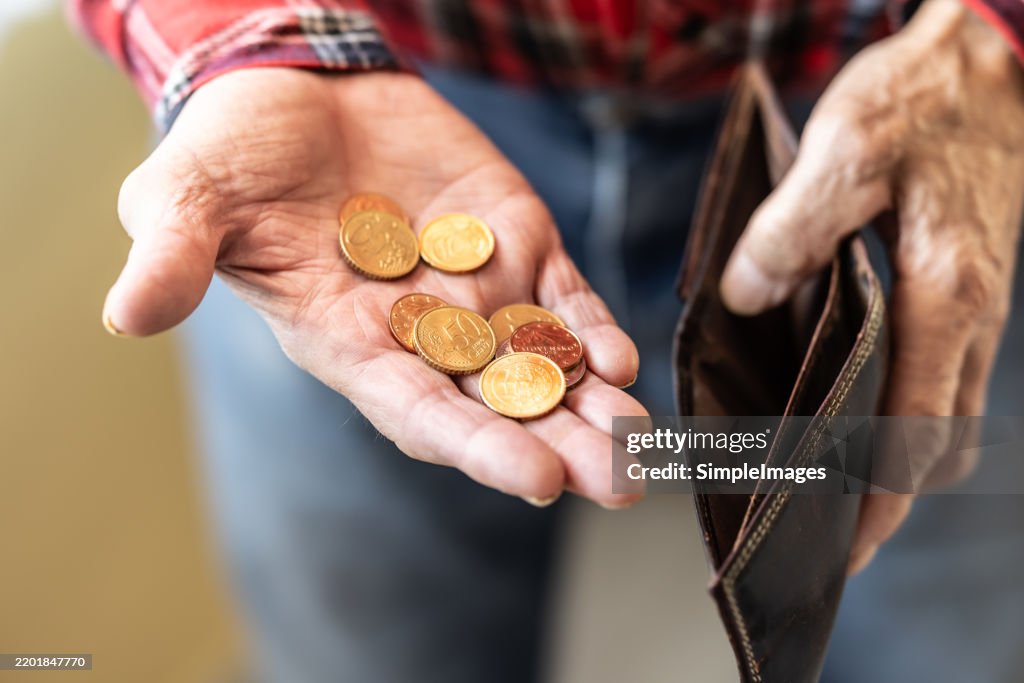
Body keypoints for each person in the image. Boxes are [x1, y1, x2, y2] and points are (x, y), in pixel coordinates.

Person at [70, 0, 1024, 680]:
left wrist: (996, 36)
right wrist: (241, 39)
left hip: (922, 125)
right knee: (367, 656)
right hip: (355, 112)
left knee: (942, 649)